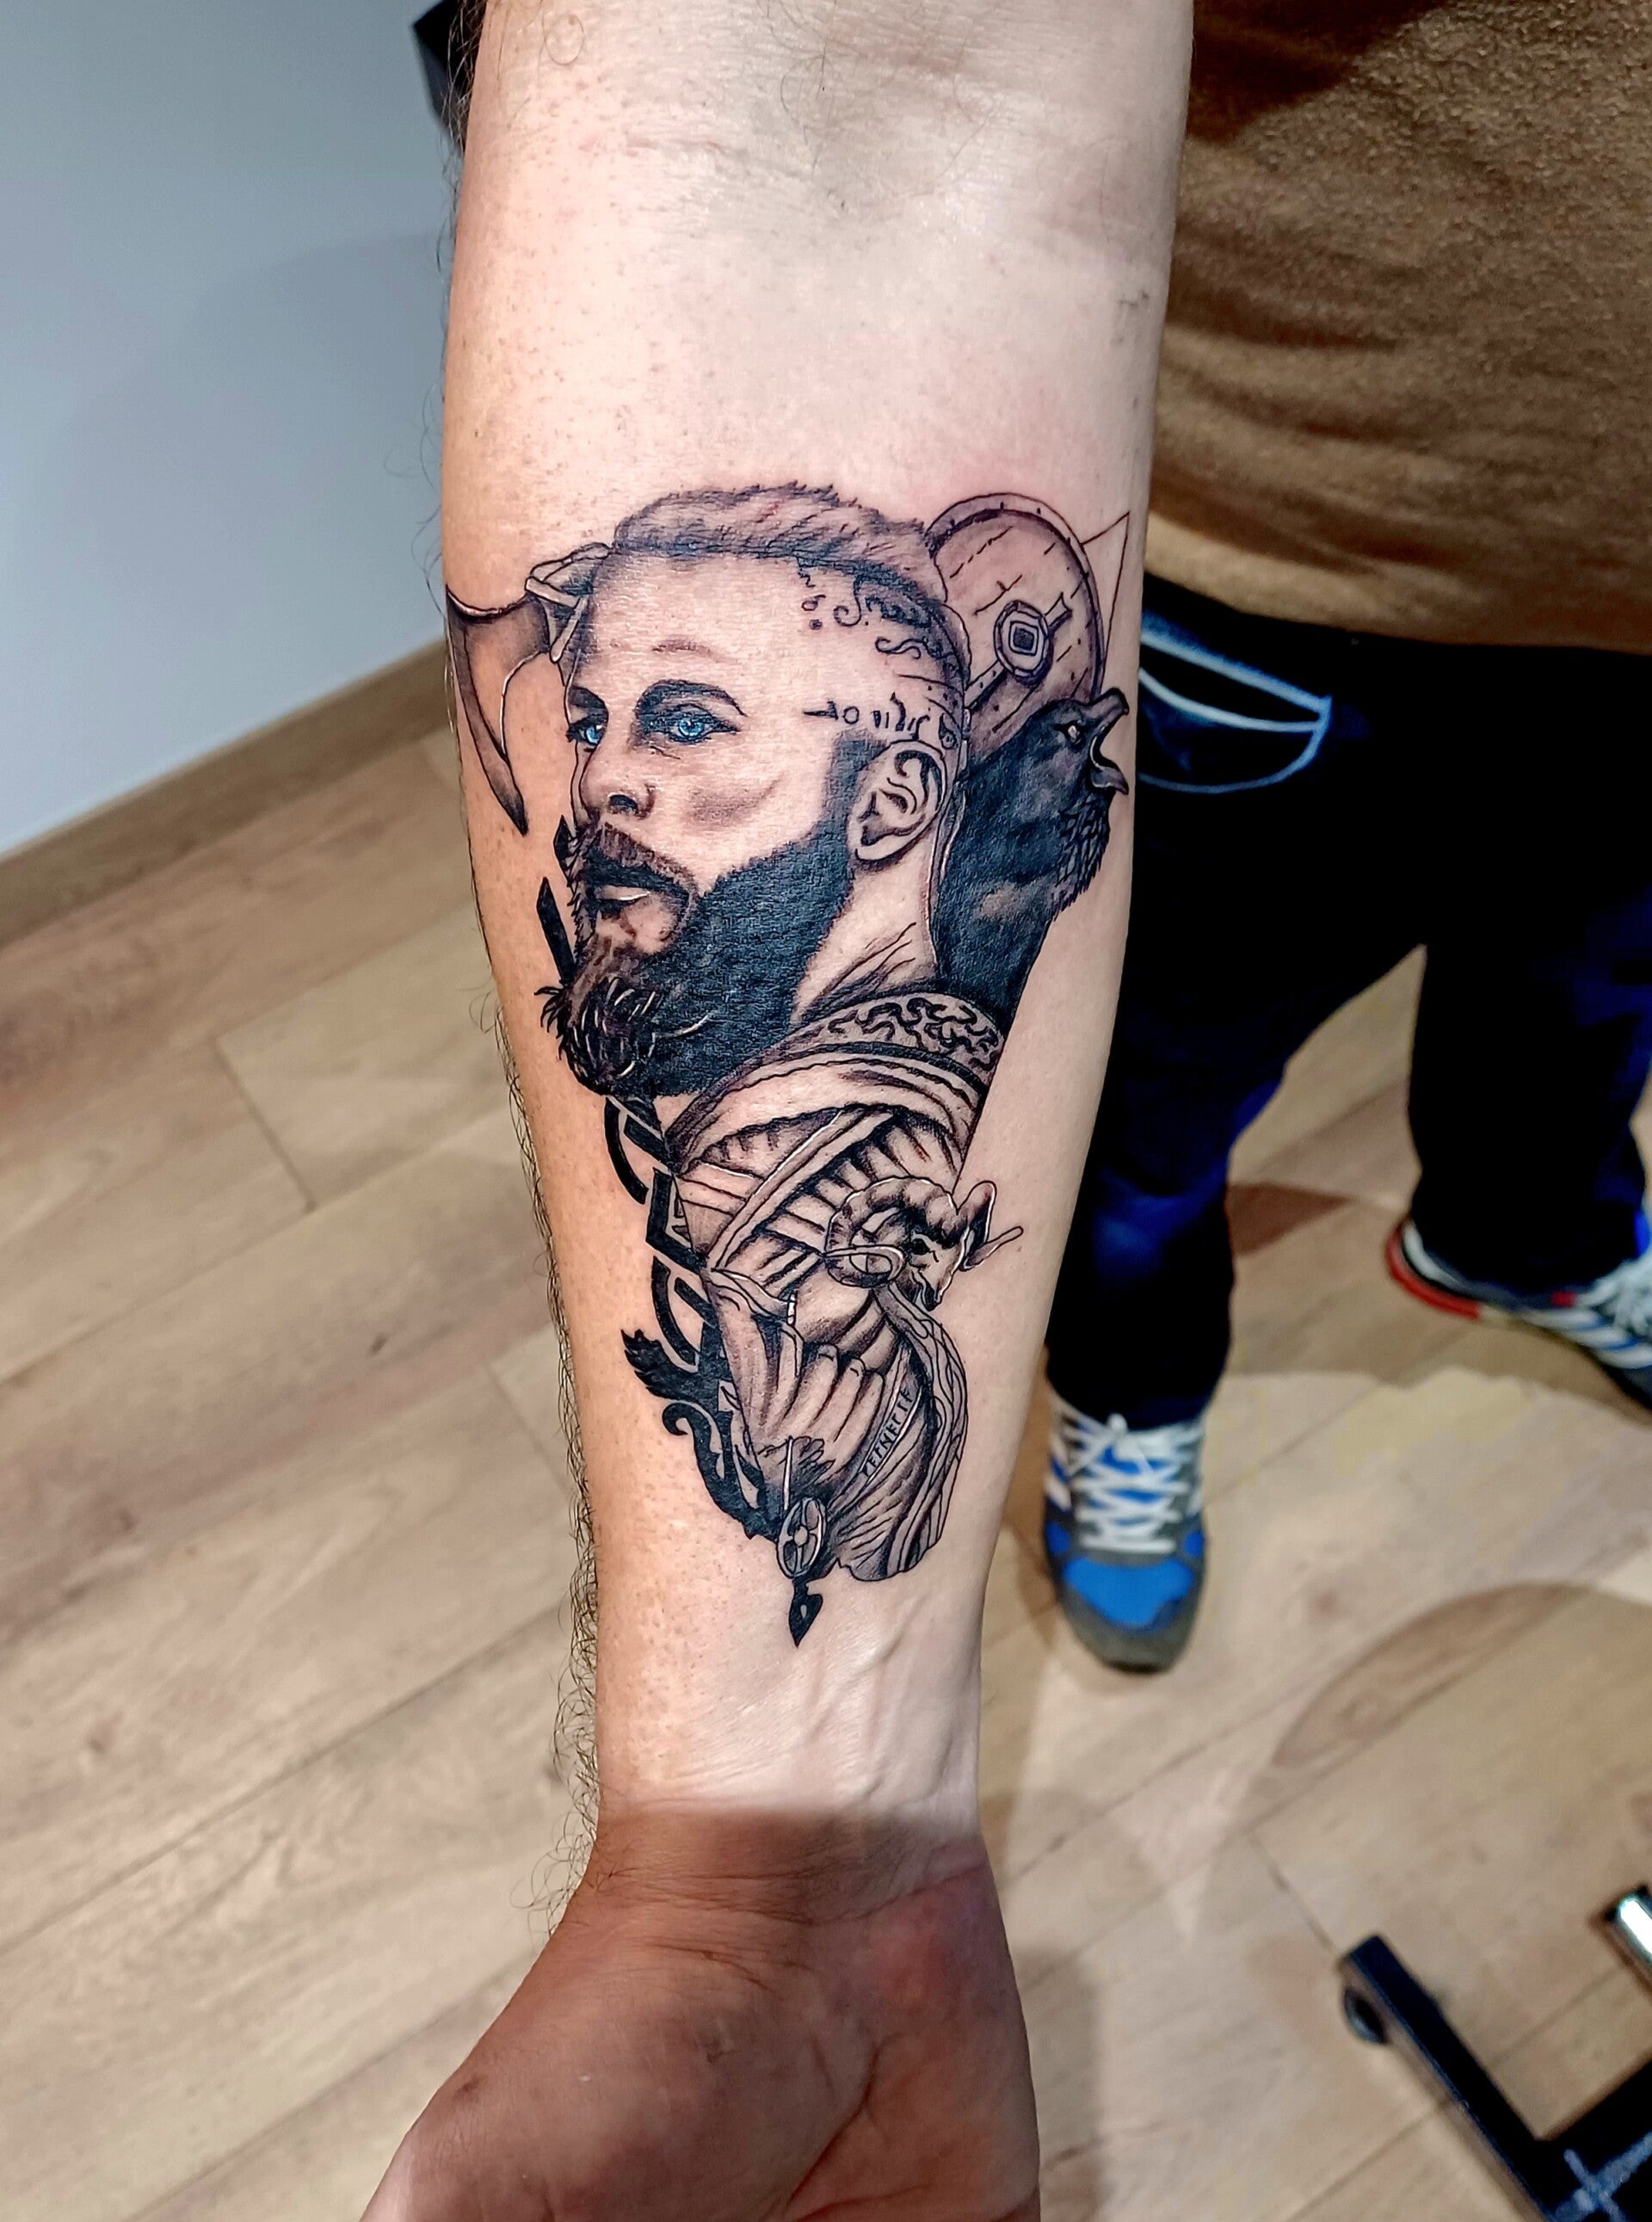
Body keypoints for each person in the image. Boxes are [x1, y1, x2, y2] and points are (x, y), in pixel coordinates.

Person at [367, 2, 1187, 2213]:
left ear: (900, 799)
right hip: (1279, 557)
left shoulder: (832, 1180)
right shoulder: (802, 1198)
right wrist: (775, 1863)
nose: (596, 790)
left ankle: (1526, 1224)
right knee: (1170, 1134)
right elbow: (809, 98)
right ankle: (1154, 1381)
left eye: (685, 724)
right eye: (599, 720)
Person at [1039, 0, 1652, 1670]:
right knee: (1150, 1102)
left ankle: (1529, 1242)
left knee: (1583, 1002)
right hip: (1268, 591)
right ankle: (1130, 1393)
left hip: (1634, 629)